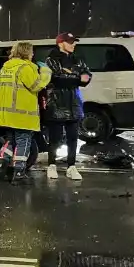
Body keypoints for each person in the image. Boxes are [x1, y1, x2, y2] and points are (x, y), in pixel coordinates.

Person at [0, 42, 52, 183]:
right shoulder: (25, 68)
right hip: (22, 115)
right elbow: (36, 86)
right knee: (24, 142)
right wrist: (46, 72)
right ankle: (19, 174)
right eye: (31, 51)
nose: (33, 54)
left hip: (7, 115)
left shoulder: (7, 67)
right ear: (26, 52)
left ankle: (0, 168)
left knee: (10, 141)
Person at [42, 33, 91, 180]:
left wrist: (77, 77)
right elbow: (56, 78)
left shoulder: (77, 59)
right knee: (55, 138)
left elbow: (87, 75)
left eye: (74, 42)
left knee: (73, 138)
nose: (73, 44)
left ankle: (71, 166)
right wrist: (77, 78)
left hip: (74, 103)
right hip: (57, 103)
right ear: (60, 43)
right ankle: (52, 165)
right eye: (70, 42)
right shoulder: (51, 60)